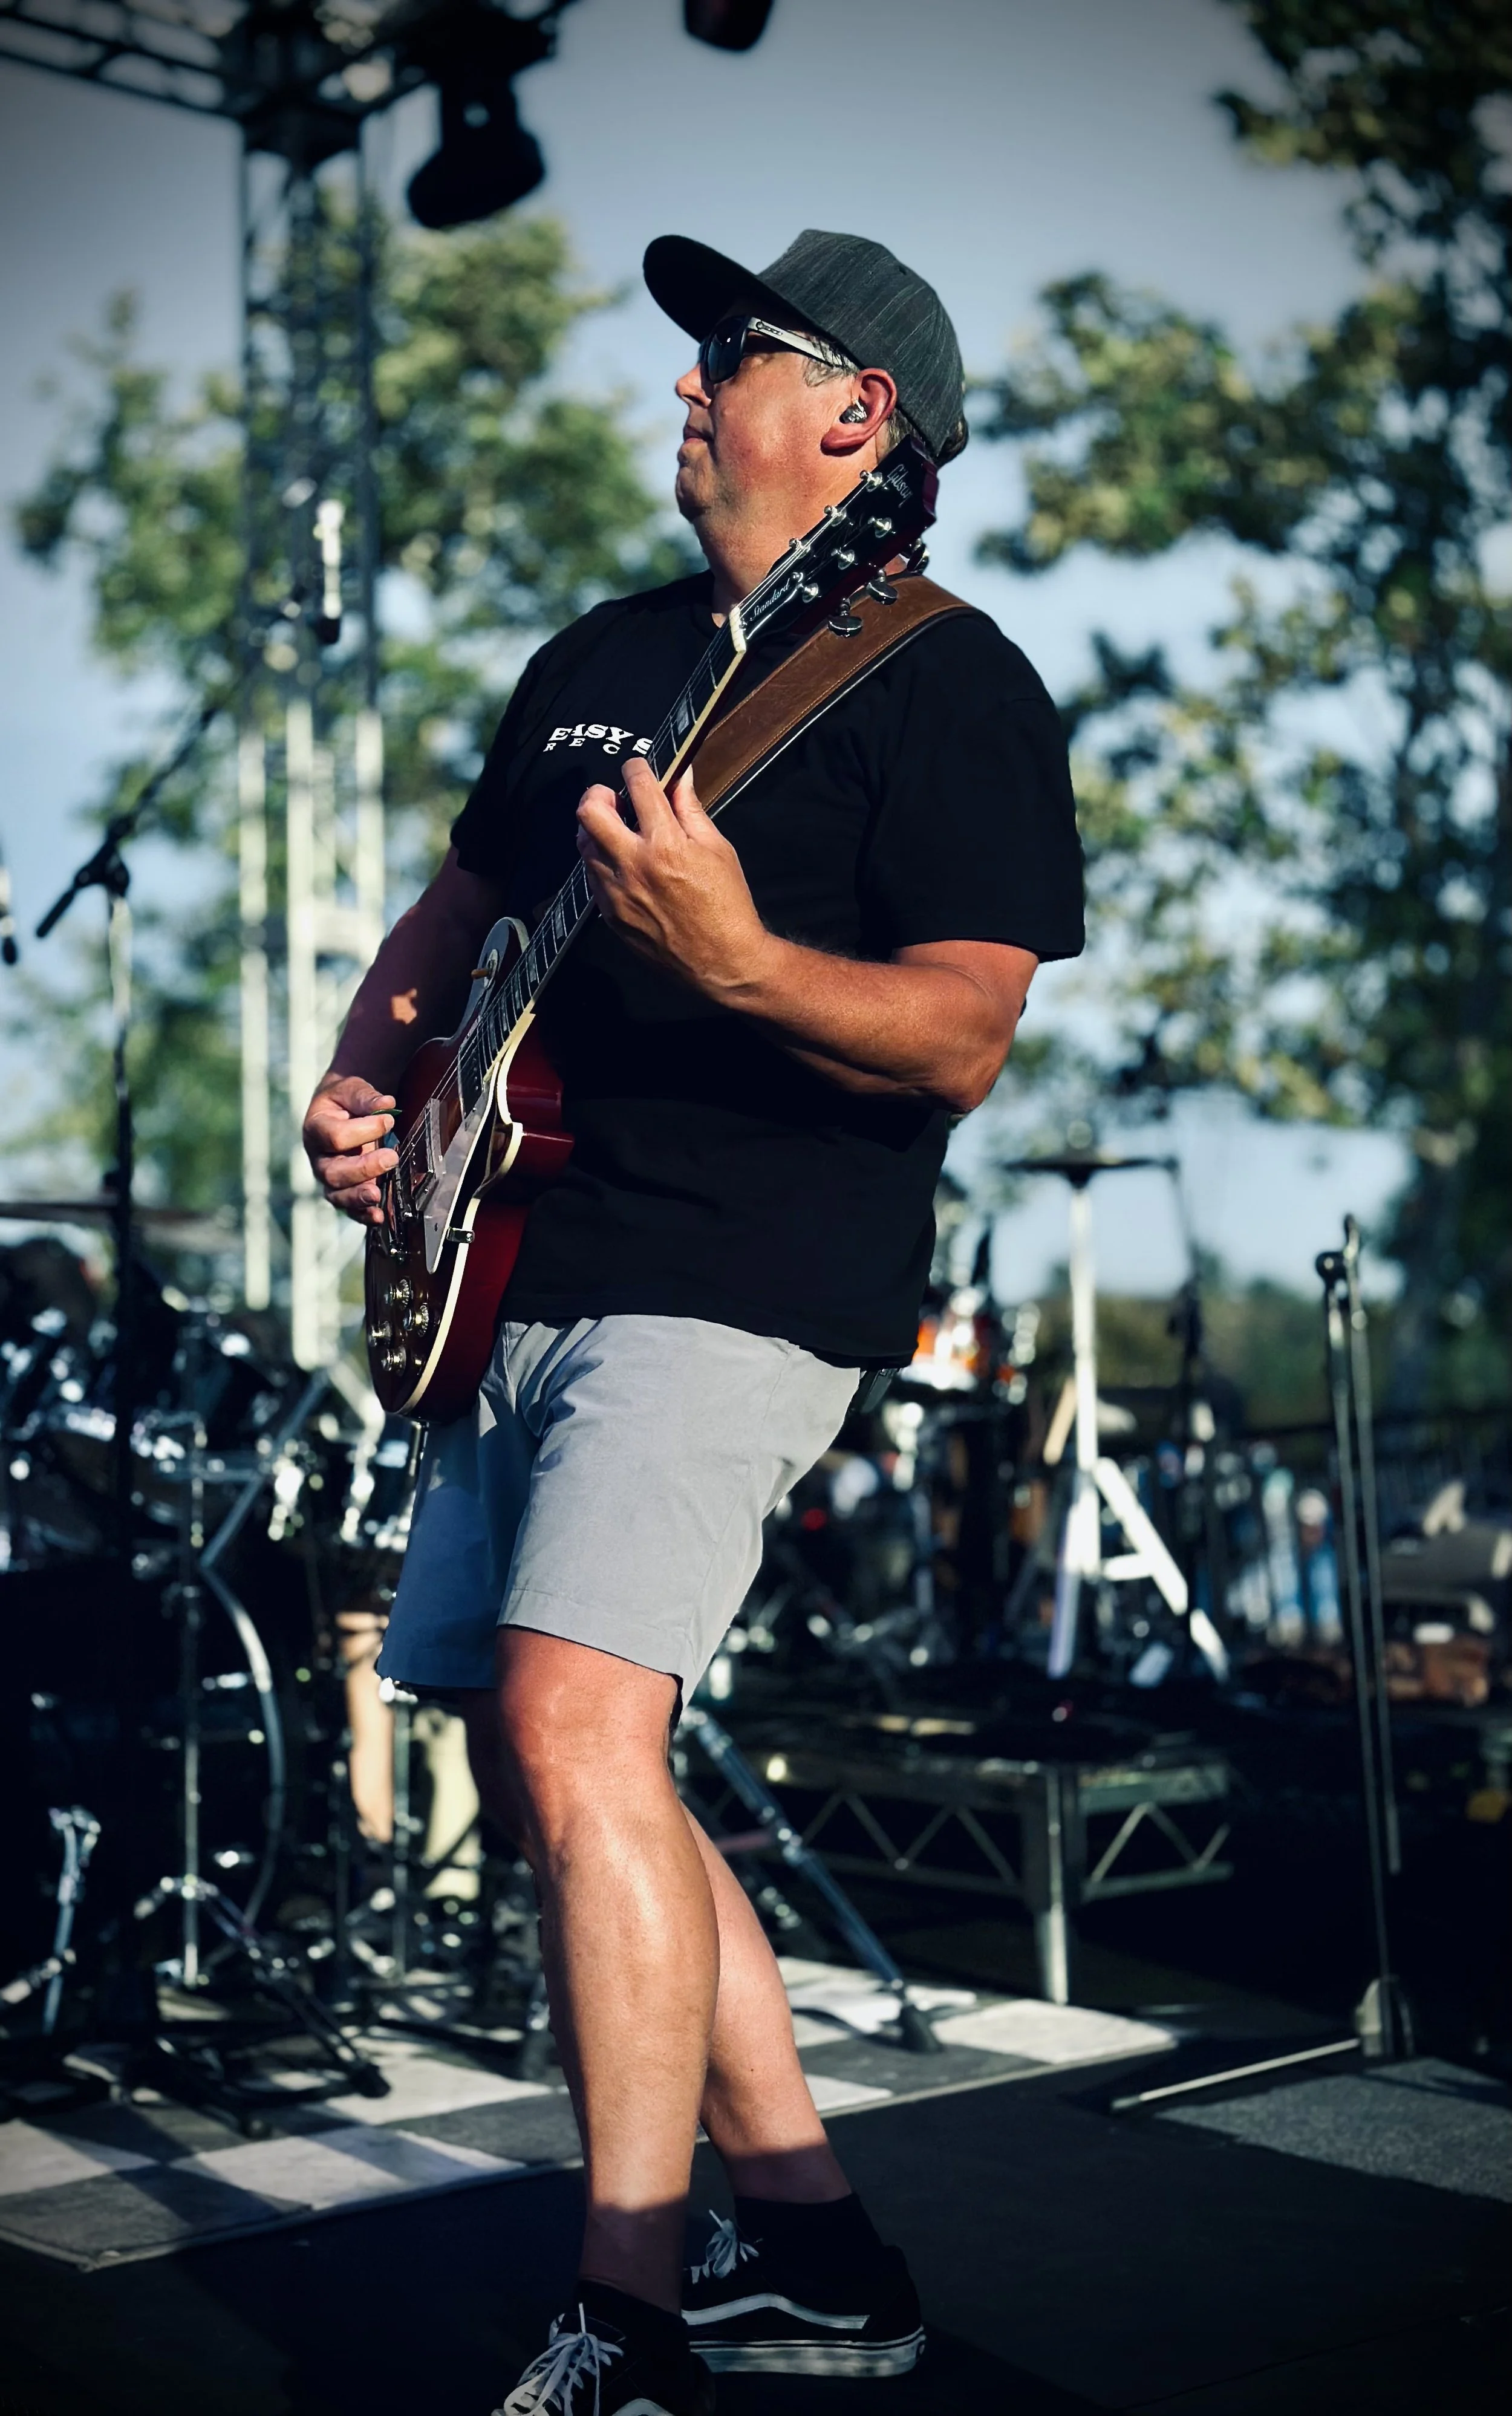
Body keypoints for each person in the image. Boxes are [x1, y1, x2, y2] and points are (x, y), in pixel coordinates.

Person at [302, 227, 1084, 2416]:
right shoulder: (603, 654)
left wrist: (740, 963)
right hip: (511, 1266)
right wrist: (378, 1090)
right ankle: (825, 2261)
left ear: (857, 412)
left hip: (740, 1274)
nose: (685, 386)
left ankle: (625, 2317)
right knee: (566, 1766)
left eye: (733, 352)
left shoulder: (943, 678)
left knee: (572, 1733)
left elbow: (956, 1035)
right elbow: (458, 917)